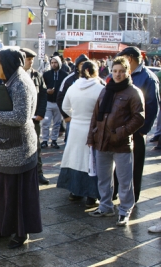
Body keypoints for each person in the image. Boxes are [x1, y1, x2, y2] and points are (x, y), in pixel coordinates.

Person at [0, 49, 42, 249]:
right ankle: (3, 226)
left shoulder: (21, 84)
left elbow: (20, 118)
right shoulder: (10, 80)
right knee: (2, 189)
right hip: (5, 146)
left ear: (7, 64)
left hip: (18, 148)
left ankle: (20, 232)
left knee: (16, 192)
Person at [87, 56, 145, 226]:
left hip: (121, 143)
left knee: (125, 179)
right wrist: (92, 136)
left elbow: (139, 118)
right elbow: (95, 115)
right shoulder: (105, 90)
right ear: (111, 71)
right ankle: (105, 206)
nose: (118, 74)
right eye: (115, 71)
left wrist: (120, 132)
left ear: (128, 72)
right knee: (103, 178)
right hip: (102, 141)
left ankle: (125, 210)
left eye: (121, 71)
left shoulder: (133, 92)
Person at [114, 46, 160, 202]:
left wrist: (143, 130)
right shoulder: (126, 75)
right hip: (121, 129)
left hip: (137, 131)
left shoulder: (148, 78)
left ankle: (132, 198)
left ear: (130, 59)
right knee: (118, 162)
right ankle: (115, 192)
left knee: (135, 165)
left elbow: (152, 106)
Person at [57, 61, 104, 207]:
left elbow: (65, 106)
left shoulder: (73, 86)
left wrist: (74, 116)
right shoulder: (100, 88)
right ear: (96, 72)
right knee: (91, 162)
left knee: (75, 158)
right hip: (92, 129)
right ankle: (91, 195)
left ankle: (75, 191)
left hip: (76, 127)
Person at [20, 48, 49, 185]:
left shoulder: (37, 75)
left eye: (32, 59)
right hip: (20, 118)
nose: (30, 62)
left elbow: (43, 95)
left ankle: (38, 173)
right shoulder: (15, 76)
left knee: (36, 146)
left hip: (34, 118)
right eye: (28, 59)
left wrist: (41, 113)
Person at [56, 54, 90, 145]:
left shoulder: (95, 80)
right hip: (73, 118)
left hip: (89, 119)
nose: (84, 67)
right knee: (72, 144)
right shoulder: (69, 80)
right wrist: (66, 116)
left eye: (86, 64)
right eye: (82, 64)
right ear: (77, 66)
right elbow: (60, 98)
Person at [41, 56, 68, 149]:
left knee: (57, 123)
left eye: (55, 62)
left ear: (59, 63)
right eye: (52, 63)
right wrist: (47, 91)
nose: (53, 64)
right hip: (48, 101)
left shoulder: (64, 75)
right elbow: (42, 87)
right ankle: (44, 140)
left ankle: (54, 140)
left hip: (59, 103)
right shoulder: (46, 74)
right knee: (45, 122)